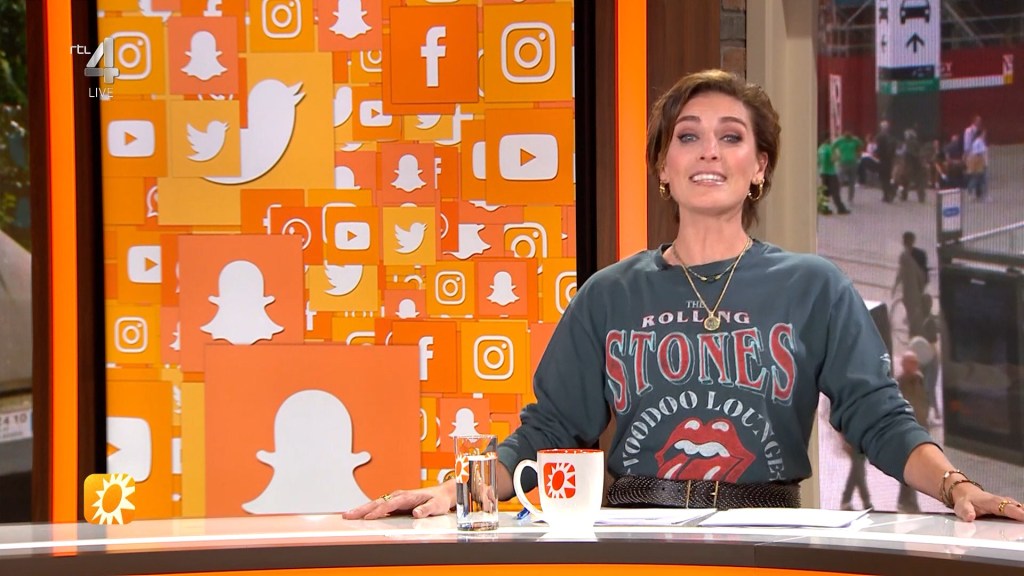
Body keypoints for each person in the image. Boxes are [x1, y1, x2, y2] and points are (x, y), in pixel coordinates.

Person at [344, 70, 1024, 523]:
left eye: (732, 137)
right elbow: (549, 432)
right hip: (633, 534)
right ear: (663, 168)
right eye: (688, 136)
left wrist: (958, 487)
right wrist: (456, 492)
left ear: (759, 167)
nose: (709, 152)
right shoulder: (608, 295)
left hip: (766, 539)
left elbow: (879, 417)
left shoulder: (815, 287)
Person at [895, 351, 928, 513]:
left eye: (916, 362)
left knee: (914, 467)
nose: (916, 365)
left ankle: (905, 500)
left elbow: (924, 401)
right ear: (904, 364)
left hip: (919, 427)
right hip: (906, 430)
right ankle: (909, 502)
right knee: (910, 467)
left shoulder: (919, 380)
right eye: (912, 362)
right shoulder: (899, 383)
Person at [893, 231, 928, 338]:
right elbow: (901, 272)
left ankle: (916, 334)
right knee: (911, 311)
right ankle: (913, 333)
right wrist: (895, 286)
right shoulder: (904, 256)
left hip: (914, 289)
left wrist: (921, 286)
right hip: (909, 289)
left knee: (914, 313)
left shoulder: (916, 255)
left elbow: (920, 273)